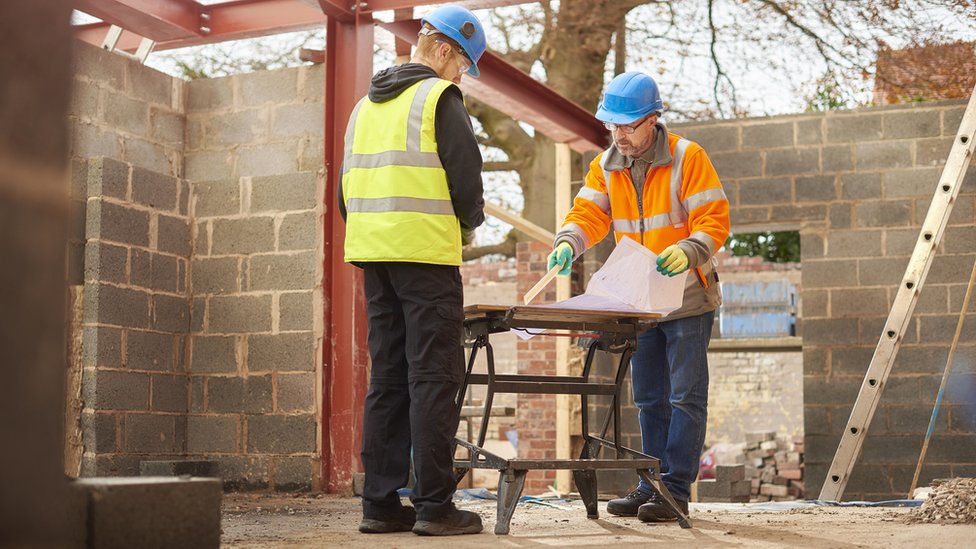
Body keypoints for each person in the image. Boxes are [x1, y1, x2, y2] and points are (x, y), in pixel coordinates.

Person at [547, 71, 730, 522]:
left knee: (685, 396)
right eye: (613, 125)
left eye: (628, 126)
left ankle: (675, 490)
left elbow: (714, 219)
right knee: (648, 397)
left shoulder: (689, 157)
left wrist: (688, 251)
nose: (619, 135)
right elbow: (589, 212)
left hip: (688, 298)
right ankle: (650, 482)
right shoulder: (606, 163)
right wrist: (570, 240)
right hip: (642, 302)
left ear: (653, 120)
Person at [338, 4, 487, 537]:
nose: (461, 74)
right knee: (433, 377)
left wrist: (376, 235)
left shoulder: (364, 107)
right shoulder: (438, 97)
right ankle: (434, 507)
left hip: (374, 257)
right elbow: (466, 179)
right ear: (444, 49)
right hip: (425, 256)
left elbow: (343, 193)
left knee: (388, 376)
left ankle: (379, 504)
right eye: (464, 63)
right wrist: (468, 225)